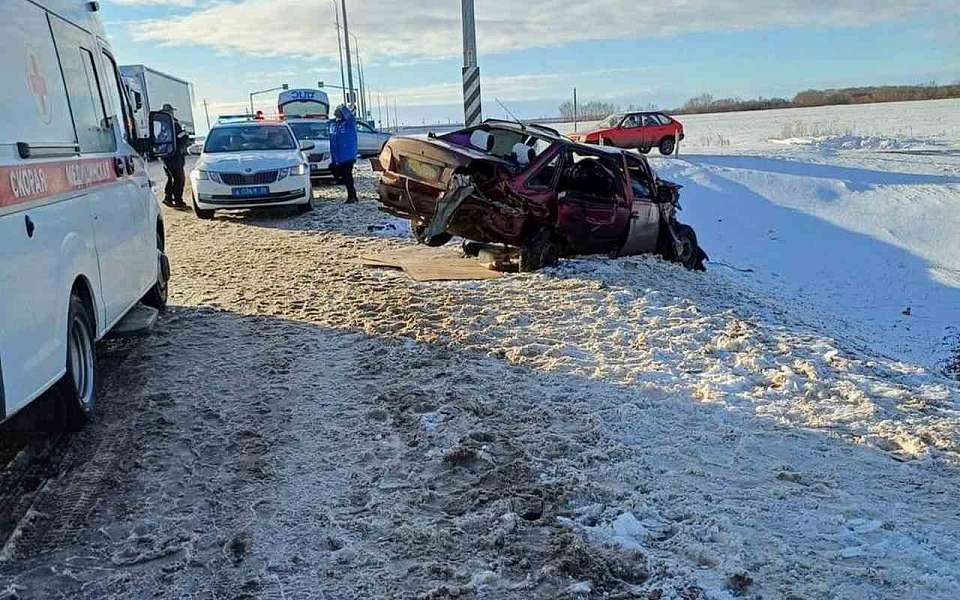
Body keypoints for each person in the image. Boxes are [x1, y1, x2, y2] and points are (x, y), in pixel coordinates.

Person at [161, 103, 190, 208]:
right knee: (179, 179)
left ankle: (168, 198)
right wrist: (185, 135)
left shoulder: (163, 125)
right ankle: (178, 200)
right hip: (175, 156)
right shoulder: (174, 124)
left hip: (166, 156)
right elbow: (182, 138)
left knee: (171, 178)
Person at [329, 104, 359, 204]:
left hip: (348, 155)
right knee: (340, 173)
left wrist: (343, 108)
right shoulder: (335, 125)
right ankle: (352, 195)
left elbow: (350, 117)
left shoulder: (349, 124)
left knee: (347, 176)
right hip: (339, 157)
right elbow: (333, 142)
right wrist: (334, 158)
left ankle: (352, 196)